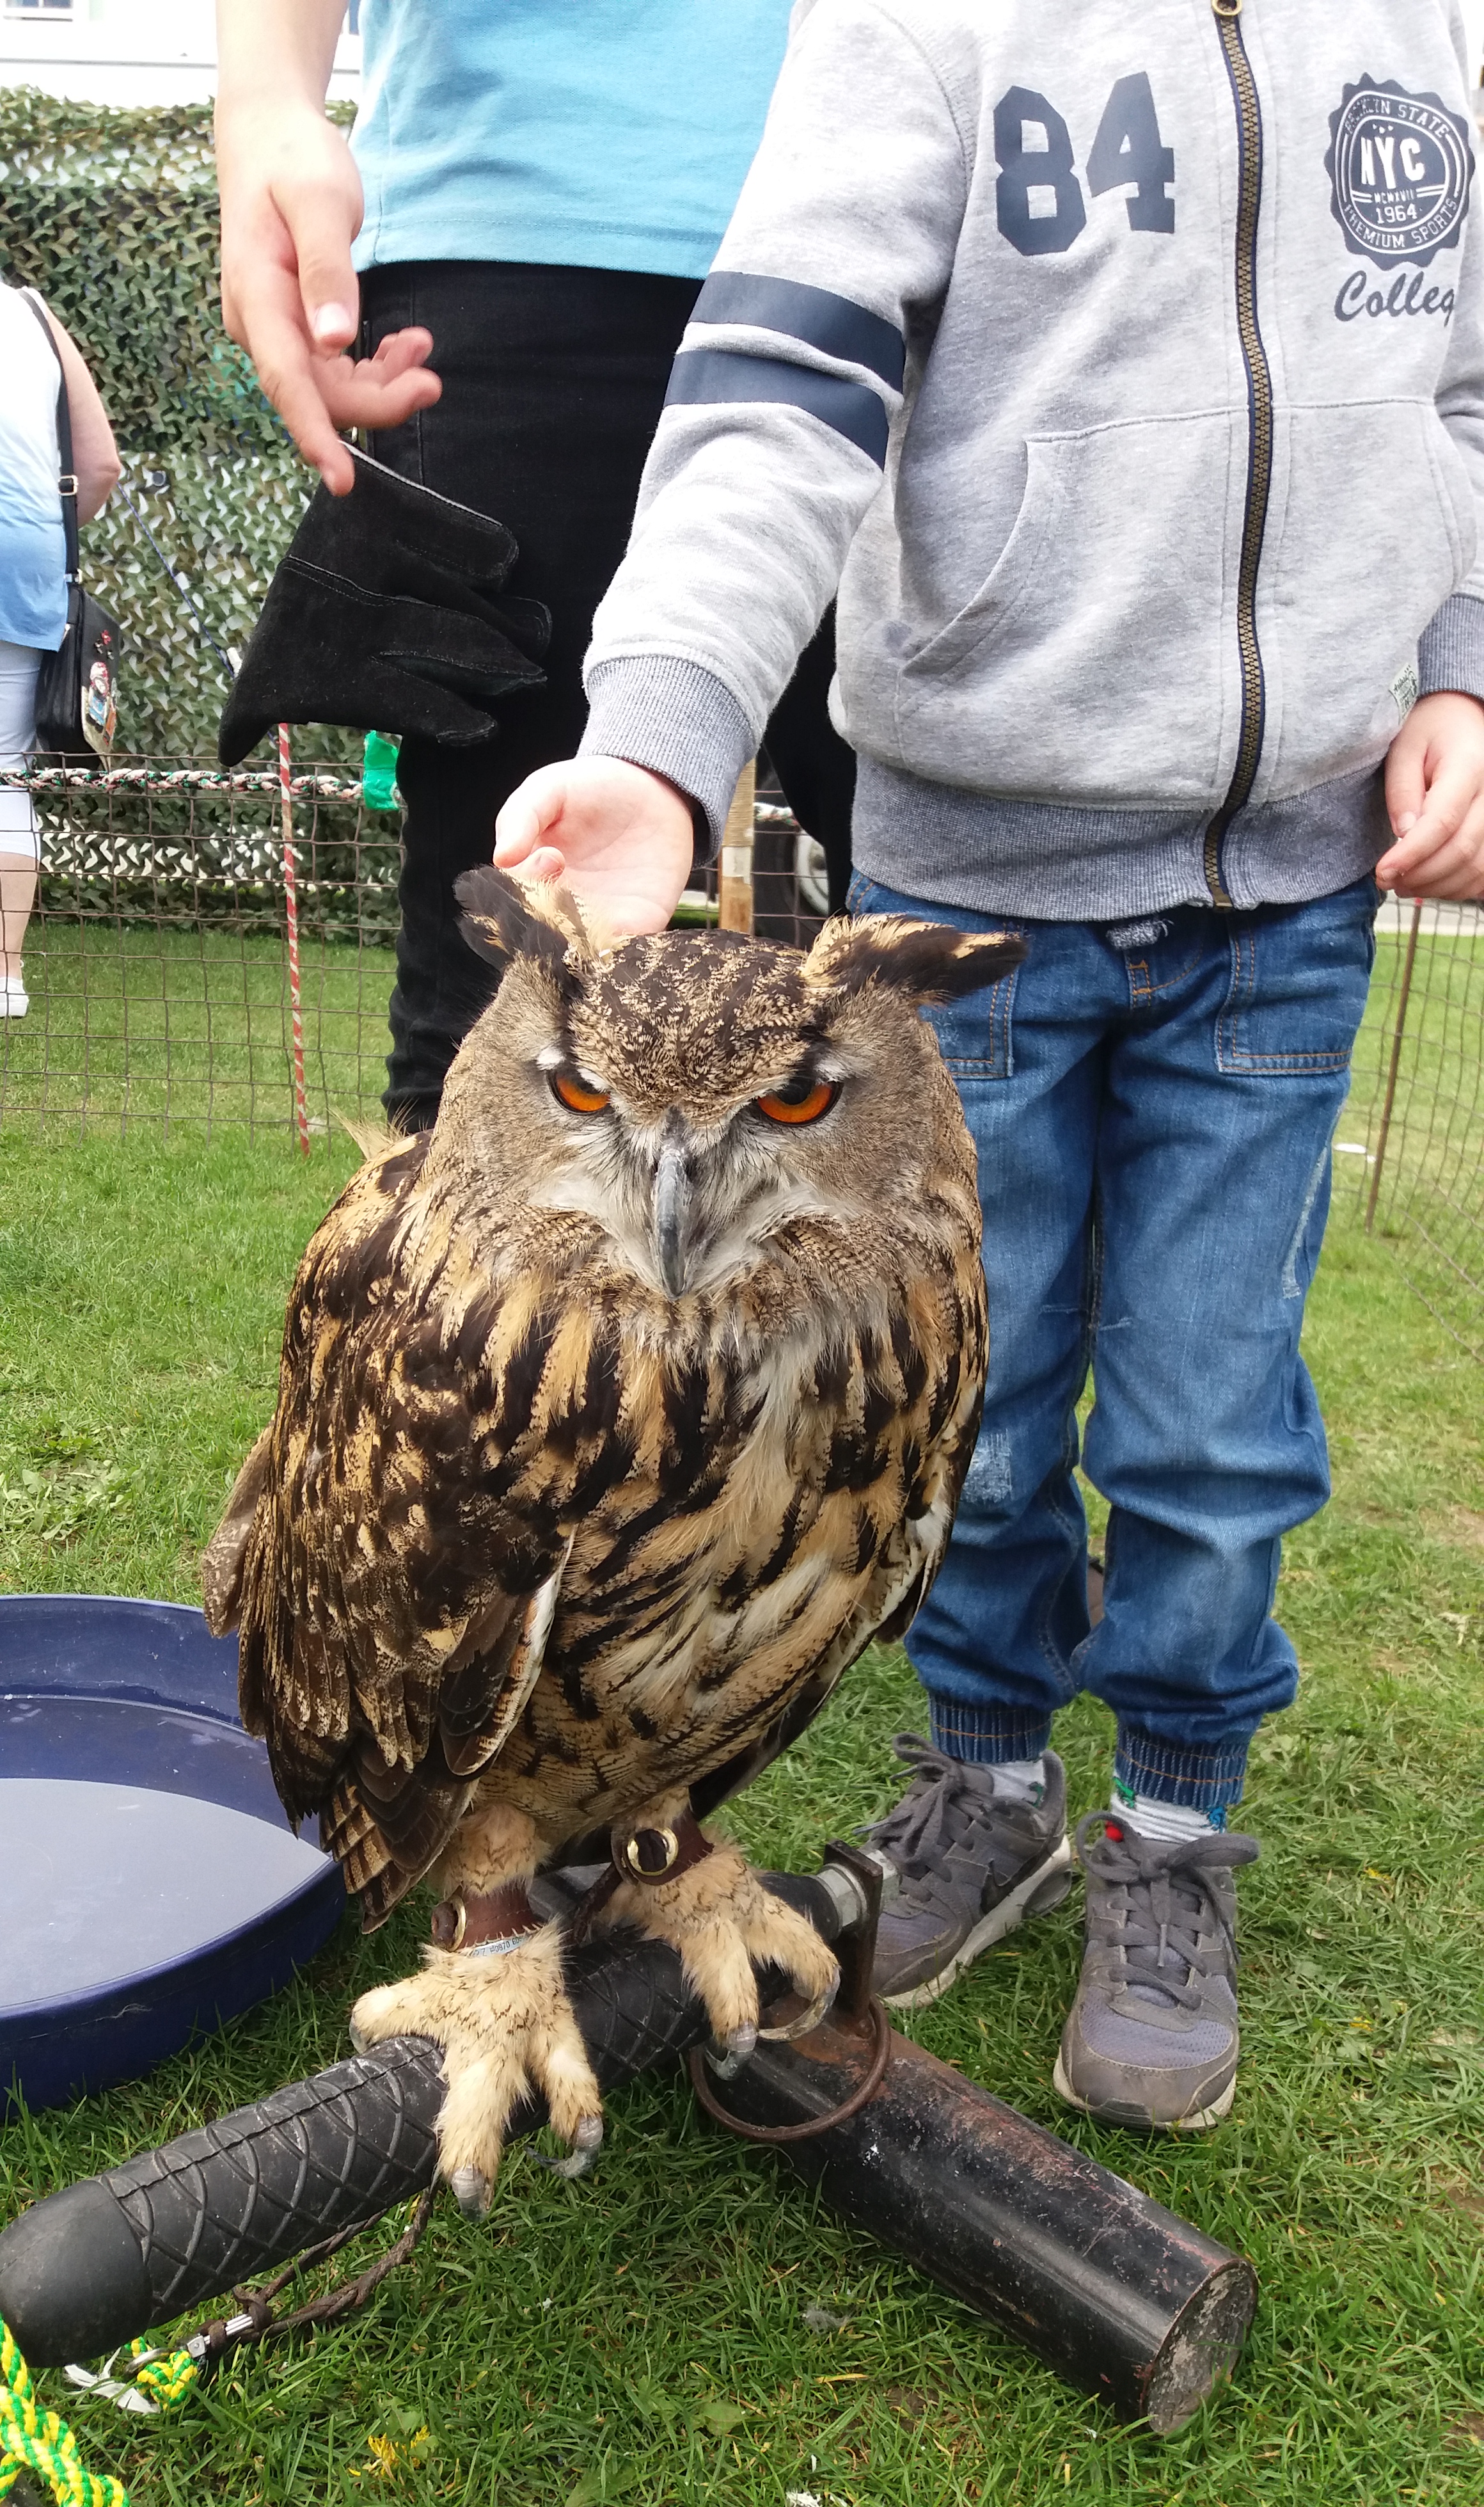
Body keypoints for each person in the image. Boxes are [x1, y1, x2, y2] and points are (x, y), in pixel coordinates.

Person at [489, 1, 1484, 2131]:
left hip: (1295, 895)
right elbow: (779, 388)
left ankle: (1173, 1827)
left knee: (1216, 1422)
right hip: (972, 906)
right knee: (978, 1415)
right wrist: (662, 733)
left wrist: (1466, 670)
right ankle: (989, 1780)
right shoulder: (916, 21)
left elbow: (1467, 394)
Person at [213, 0, 856, 1132]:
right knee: (500, 995)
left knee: (966, 951)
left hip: (900, 216)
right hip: (518, 228)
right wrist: (264, 103)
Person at [0, 285, 120, 1019]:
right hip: (26, 556)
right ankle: (4, 977)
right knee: (5, 772)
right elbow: (100, 466)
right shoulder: (32, 310)